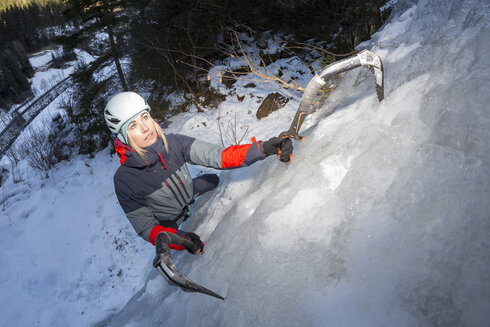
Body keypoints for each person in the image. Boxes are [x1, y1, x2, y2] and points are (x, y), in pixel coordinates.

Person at [104, 91, 293, 255]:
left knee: (212, 180)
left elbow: (219, 156)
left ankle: (191, 200)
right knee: (184, 241)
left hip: (188, 193)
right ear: (123, 137)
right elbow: (146, 228)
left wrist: (264, 148)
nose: (145, 127)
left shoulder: (175, 143)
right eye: (133, 126)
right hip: (169, 220)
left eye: (145, 117)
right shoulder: (124, 180)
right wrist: (181, 240)